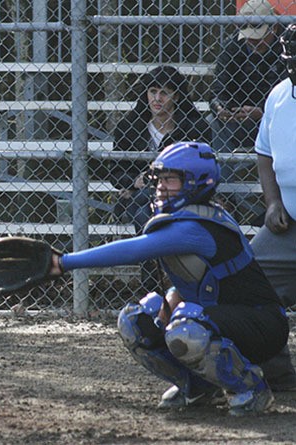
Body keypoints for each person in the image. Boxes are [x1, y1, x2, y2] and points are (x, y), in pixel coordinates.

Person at [9, 142, 288, 416]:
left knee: (187, 328)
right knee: (136, 320)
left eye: (170, 180)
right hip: (226, 319)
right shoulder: (183, 218)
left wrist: (63, 263)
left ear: (197, 183)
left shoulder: (197, 226)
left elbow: (134, 249)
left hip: (262, 325)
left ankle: (251, 388)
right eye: (159, 179)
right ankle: (198, 386)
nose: (161, 187)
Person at [112, 65, 211, 292]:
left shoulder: (194, 127)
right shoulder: (129, 126)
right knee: (142, 209)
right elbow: (115, 173)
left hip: (182, 195)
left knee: (142, 211)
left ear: (176, 95)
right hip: (142, 194)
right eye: (152, 91)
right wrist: (133, 182)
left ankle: (155, 287)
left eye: (164, 92)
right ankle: (158, 285)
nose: (157, 99)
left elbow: (202, 169)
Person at [247, 22, 296, 392]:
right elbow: (264, 154)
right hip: (289, 222)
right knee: (247, 282)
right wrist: (273, 201)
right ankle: (279, 377)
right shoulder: (280, 95)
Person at [209, 0, 284, 181]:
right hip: (240, 117)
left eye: (258, 37)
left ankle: (244, 190)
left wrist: (263, 111)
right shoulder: (233, 45)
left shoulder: (287, 47)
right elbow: (218, 90)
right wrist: (221, 108)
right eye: (248, 36)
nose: (252, 41)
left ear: (273, 28)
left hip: (276, 116)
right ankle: (225, 189)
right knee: (212, 122)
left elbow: (289, 95)